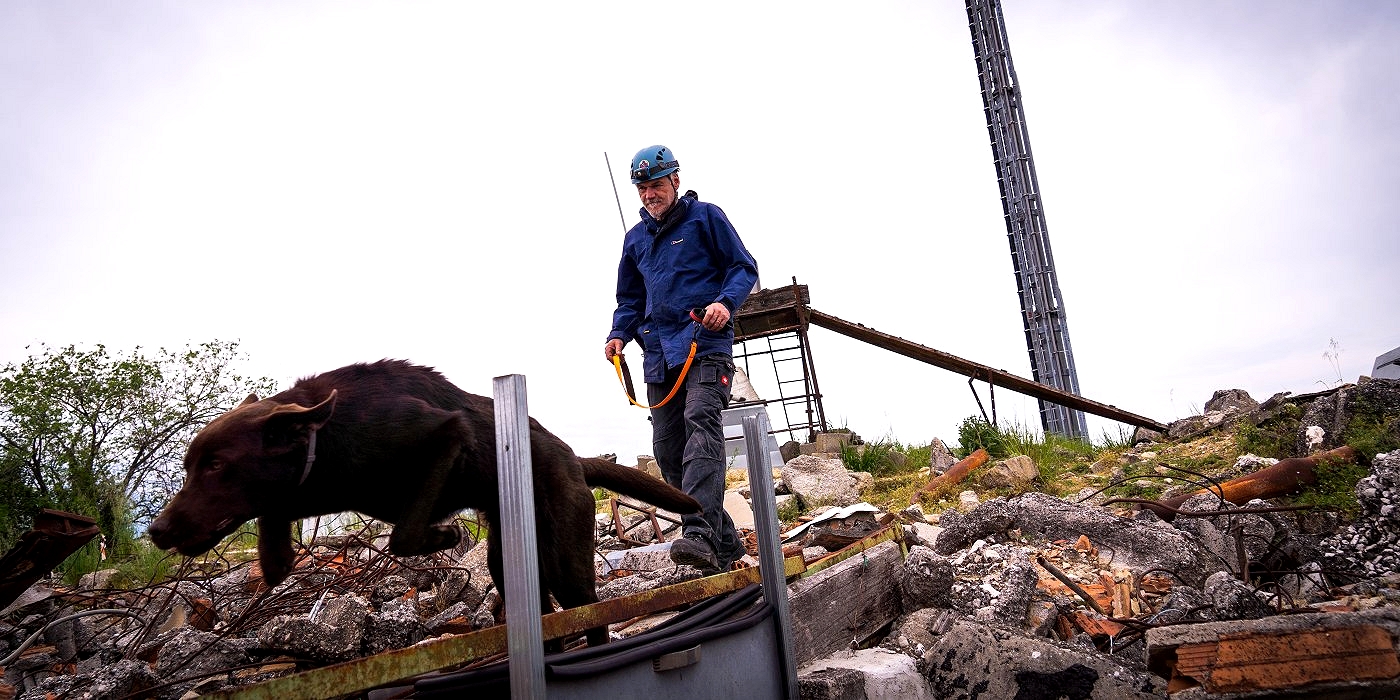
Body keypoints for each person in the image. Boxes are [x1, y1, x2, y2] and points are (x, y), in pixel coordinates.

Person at [604, 144, 759, 573]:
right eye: (642, 189)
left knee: (700, 423)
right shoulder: (634, 240)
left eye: (655, 185)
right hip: (658, 355)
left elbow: (744, 267)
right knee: (667, 450)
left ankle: (696, 534)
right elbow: (629, 300)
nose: (649, 194)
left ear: (674, 180)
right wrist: (618, 334)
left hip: (704, 343)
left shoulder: (706, 216)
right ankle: (725, 544)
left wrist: (726, 303)